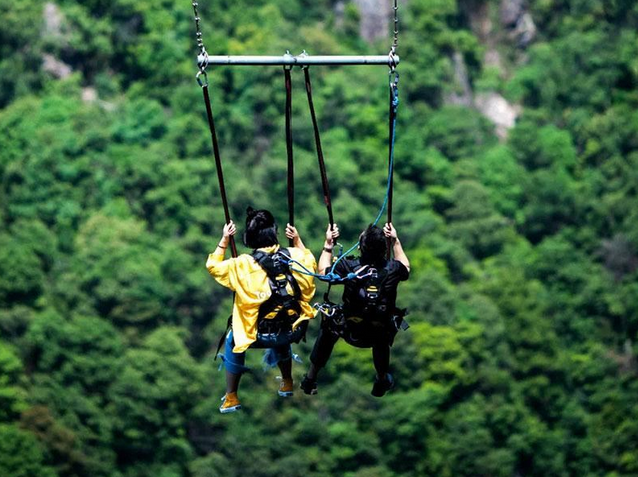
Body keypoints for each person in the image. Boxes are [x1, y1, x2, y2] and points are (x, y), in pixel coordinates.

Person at [206, 207, 316, 413]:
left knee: (233, 340)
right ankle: (286, 380)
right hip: (291, 331)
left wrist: (224, 240)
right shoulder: (295, 257)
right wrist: (297, 239)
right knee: (282, 320)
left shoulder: (242, 265)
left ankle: (231, 396)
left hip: (257, 334)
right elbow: (310, 260)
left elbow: (213, 266)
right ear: (273, 232)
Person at [301, 222, 410, 397]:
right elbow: (406, 268)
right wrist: (395, 242)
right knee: (383, 330)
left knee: (329, 321)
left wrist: (328, 246)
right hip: (377, 333)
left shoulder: (348, 266)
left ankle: (311, 376)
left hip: (350, 330)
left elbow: (323, 273)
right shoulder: (393, 269)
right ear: (384, 248)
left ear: (360, 248)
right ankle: (381, 378)